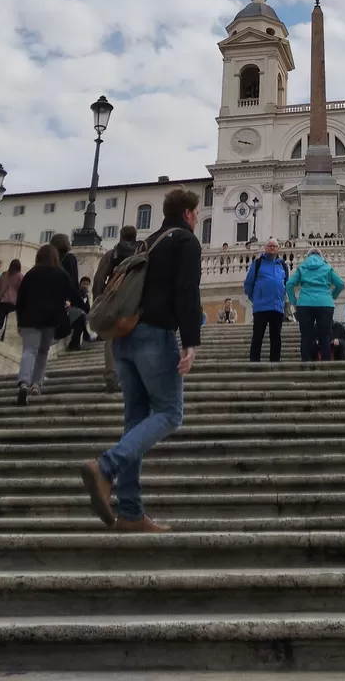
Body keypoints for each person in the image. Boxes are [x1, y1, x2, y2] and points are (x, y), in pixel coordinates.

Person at [80, 187, 202, 532]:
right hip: (154, 334)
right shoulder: (185, 241)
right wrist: (190, 341)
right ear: (191, 213)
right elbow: (186, 291)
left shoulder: (147, 242)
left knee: (135, 421)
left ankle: (131, 513)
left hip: (124, 337)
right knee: (169, 413)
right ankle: (105, 467)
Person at [14, 244, 74, 406]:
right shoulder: (61, 274)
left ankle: (24, 382)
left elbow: (20, 299)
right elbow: (72, 294)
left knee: (29, 350)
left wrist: (19, 321)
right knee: (43, 352)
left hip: (29, 317)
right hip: (51, 318)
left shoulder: (31, 274)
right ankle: (36, 384)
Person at [94, 225, 138, 393]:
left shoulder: (111, 254)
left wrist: (99, 299)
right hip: (134, 296)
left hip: (113, 296)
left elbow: (99, 278)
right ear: (135, 236)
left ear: (120, 236)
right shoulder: (141, 253)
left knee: (111, 336)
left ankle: (112, 375)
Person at [286, 248, 345, 362]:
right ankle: (325, 362)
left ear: (308, 256)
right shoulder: (327, 267)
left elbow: (289, 284)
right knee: (325, 335)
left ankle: (305, 362)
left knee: (306, 335)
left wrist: (293, 301)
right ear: (321, 256)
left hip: (304, 303)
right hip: (325, 303)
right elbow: (340, 284)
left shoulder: (302, 267)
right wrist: (332, 296)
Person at [243, 238, 289, 362]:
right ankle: (254, 362)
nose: (272, 248)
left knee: (276, 337)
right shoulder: (258, 263)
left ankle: (275, 362)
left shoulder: (283, 265)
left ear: (278, 248)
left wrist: (281, 296)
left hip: (277, 306)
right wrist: (255, 298)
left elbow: (286, 283)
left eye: (275, 246)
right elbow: (248, 283)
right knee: (258, 336)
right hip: (261, 306)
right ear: (265, 248)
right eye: (270, 246)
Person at [0, 259, 22, 340]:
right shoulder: (19, 276)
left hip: (2, 301)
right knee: (8, 325)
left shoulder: (4, 274)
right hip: (13, 303)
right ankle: (2, 339)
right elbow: (21, 289)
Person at [69, 277, 93, 350]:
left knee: (82, 321)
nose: (85, 286)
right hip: (73, 315)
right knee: (80, 321)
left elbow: (87, 308)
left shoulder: (86, 295)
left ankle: (75, 344)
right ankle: (75, 343)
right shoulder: (76, 293)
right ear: (80, 284)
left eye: (87, 284)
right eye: (84, 284)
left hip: (81, 316)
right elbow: (76, 305)